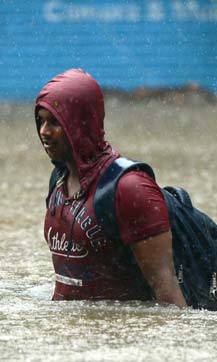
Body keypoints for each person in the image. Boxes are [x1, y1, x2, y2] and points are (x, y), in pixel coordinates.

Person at [36, 69, 188, 307]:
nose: (44, 131)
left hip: (117, 337)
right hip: (69, 336)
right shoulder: (58, 180)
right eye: (40, 120)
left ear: (80, 124)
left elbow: (167, 294)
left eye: (55, 122)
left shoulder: (129, 189)